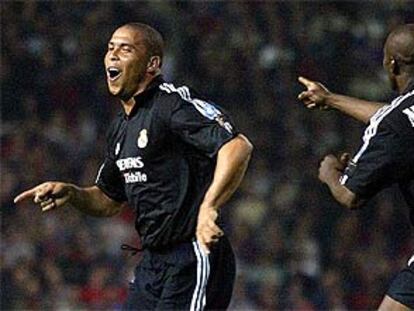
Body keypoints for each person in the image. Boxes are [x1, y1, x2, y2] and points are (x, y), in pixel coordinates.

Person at [14, 23, 253, 310]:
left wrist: (209, 206)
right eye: (110, 48)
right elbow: (108, 200)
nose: (113, 55)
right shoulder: (120, 128)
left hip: (194, 253)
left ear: (152, 64)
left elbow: (237, 146)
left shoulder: (171, 104)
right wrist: (73, 193)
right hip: (154, 262)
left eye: (125, 49)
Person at [298, 24, 414, 310]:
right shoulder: (398, 120)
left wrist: (330, 173)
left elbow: (351, 194)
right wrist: (331, 99)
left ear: (392, 63)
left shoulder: (397, 123)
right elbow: (392, 118)